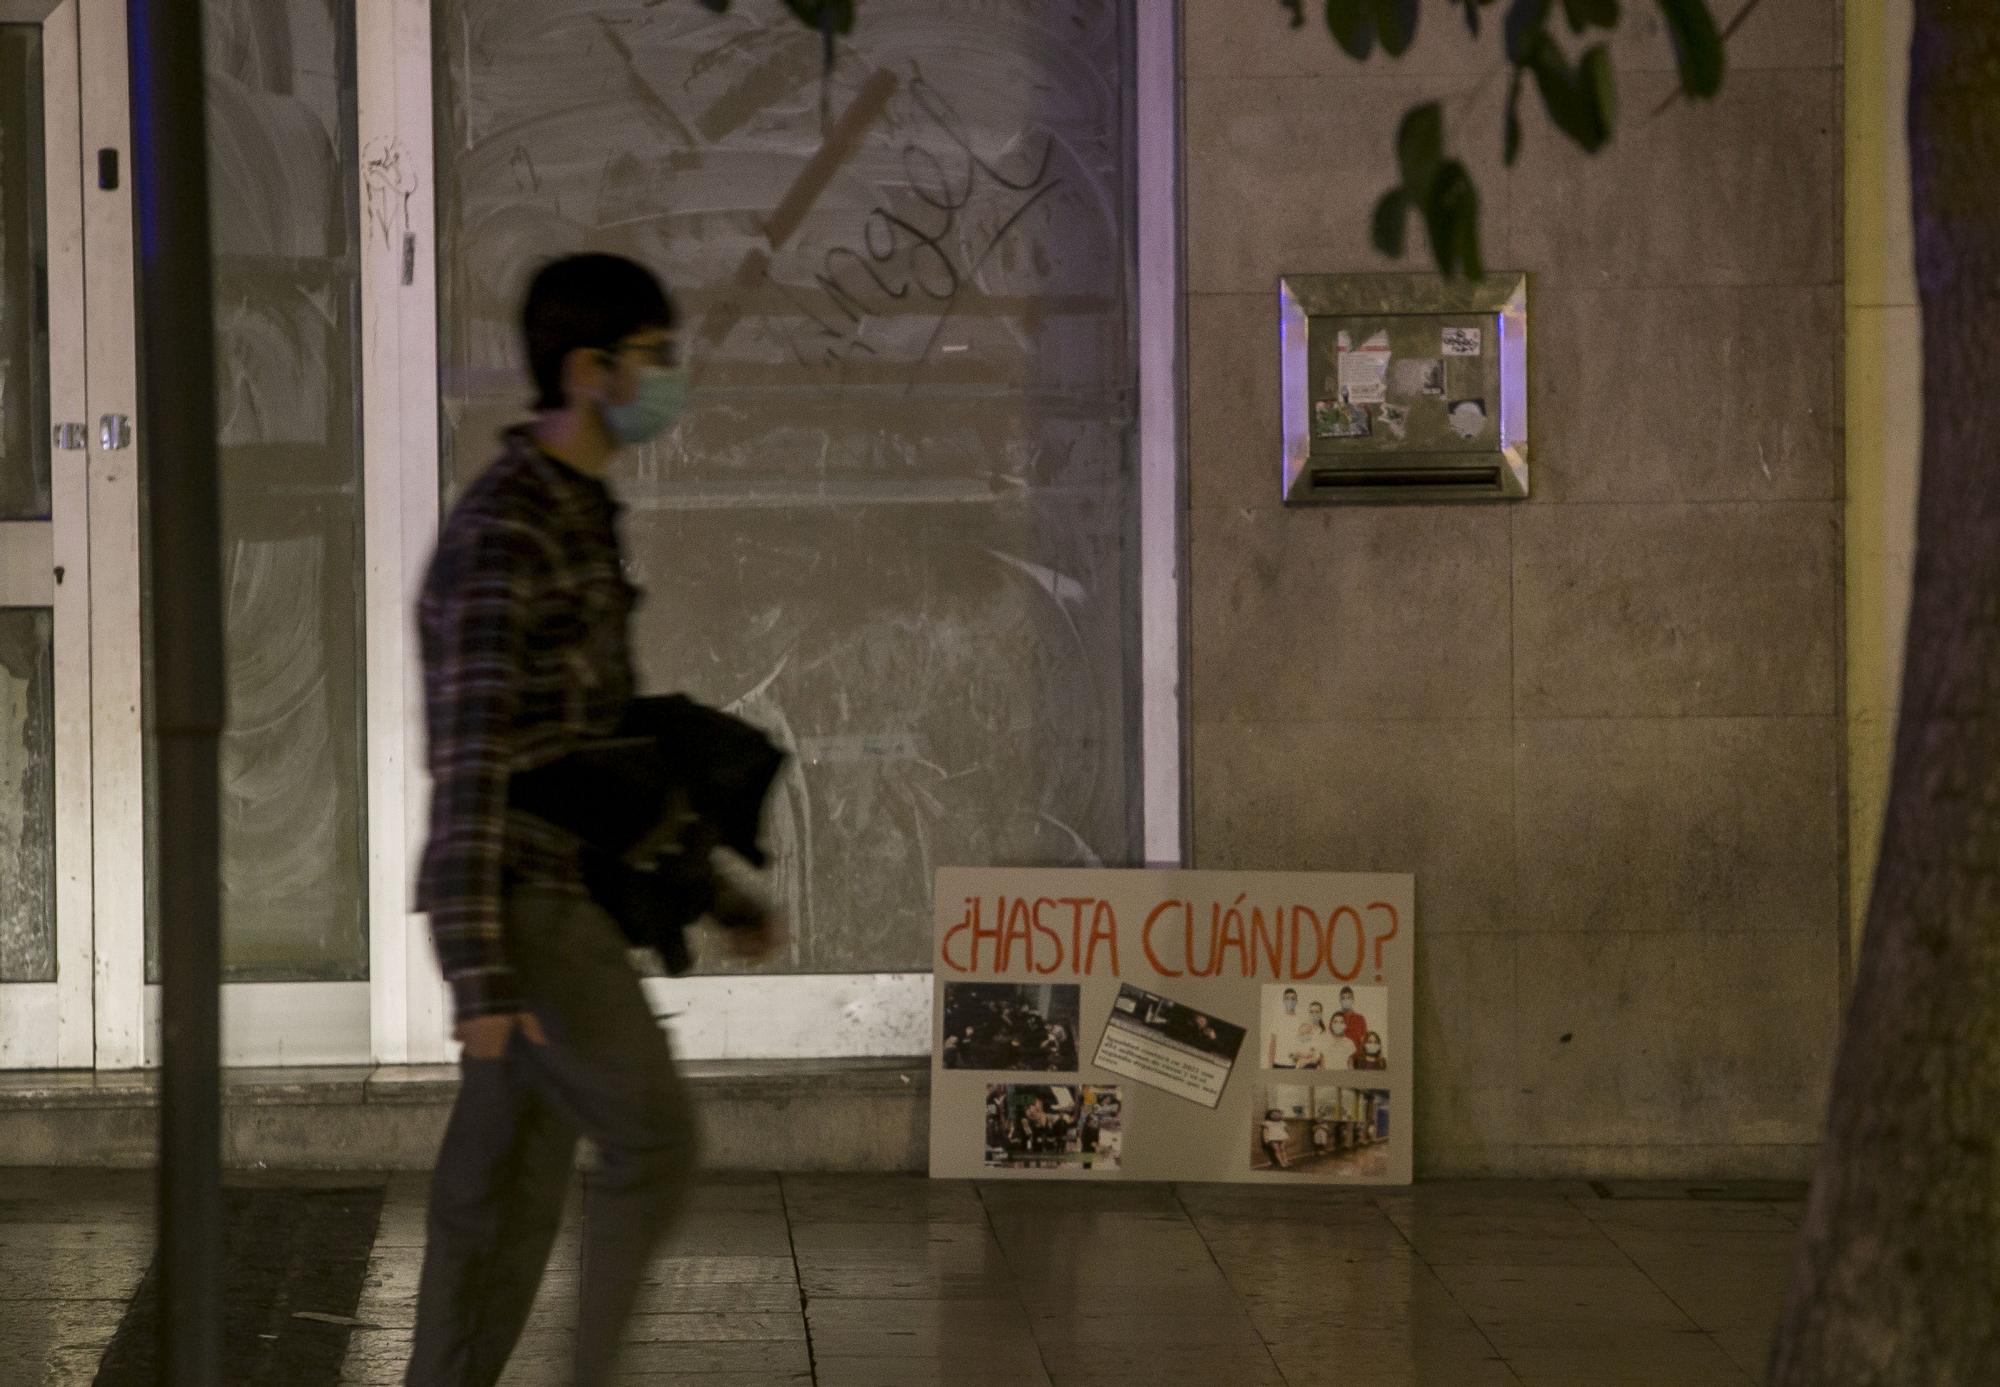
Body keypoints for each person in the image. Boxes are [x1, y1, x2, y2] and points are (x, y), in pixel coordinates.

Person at [406, 254, 780, 1387]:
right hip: (527, 904)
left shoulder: (571, 513)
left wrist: (712, 887)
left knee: (502, 1195)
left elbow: (596, 749)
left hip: (560, 893)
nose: (667, 379)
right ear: (588, 369)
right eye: (654, 357)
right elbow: (475, 762)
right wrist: (477, 972)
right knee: (652, 1139)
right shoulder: (508, 531)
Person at [1332, 987, 1370, 1063]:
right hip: (1340, 1059)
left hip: (1358, 1060)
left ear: (1353, 1000)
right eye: (1343, 998)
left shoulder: (1360, 1019)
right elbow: (1331, 1040)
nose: (1346, 1000)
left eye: (1349, 998)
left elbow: (1364, 1041)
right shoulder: (1335, 1019)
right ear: (1340, 1000)